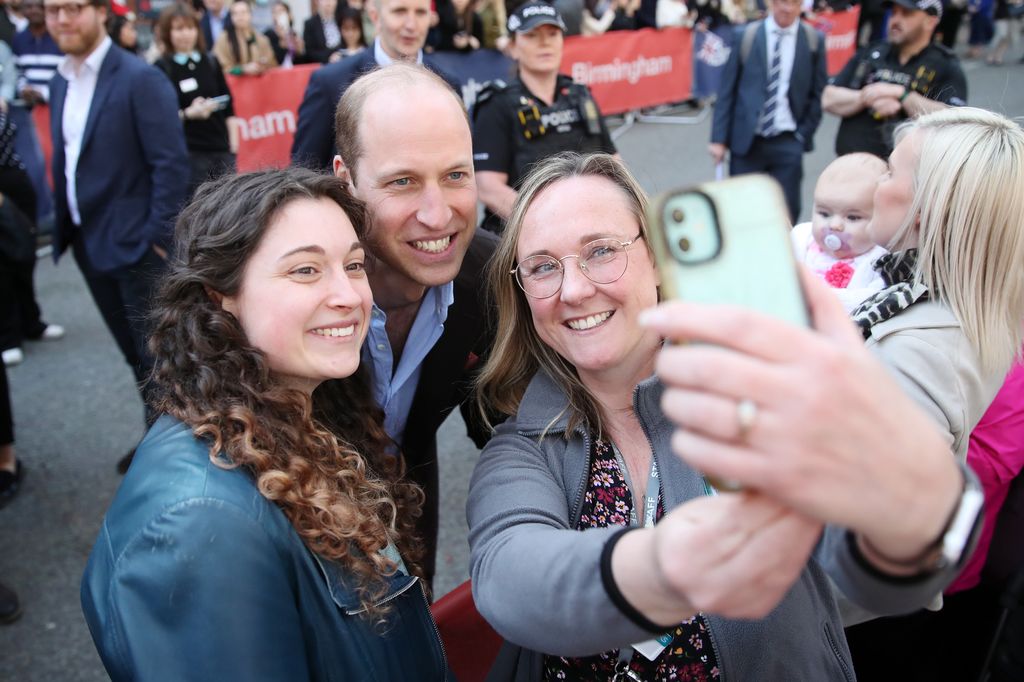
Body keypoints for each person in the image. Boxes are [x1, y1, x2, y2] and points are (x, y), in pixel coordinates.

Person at [468, 152, 981, 680]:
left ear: (658, 259)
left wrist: (907, 489)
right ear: (522, 291)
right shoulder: (524, 444)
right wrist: (670, 565)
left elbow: (890, 574)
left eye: (601, 251)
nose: (573, 290)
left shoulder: (750, 394)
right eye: (543, 266)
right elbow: (508, 581)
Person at [80, 167, 451, 681]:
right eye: (305, 270)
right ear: (220, 298)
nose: (349, 295)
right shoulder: (199, 522)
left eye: (354, 265)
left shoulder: (290, 416)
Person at [331, 63, 497, 585]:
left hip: (413, 495)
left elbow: (507, 427)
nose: (437, 213)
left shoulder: (493, 280)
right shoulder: (291, 293)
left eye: (456, 175)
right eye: (402, 181)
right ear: (346, 183)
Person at [46, 0, 190, 472]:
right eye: (52, 10)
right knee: (135, 357)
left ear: (99, 12)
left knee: (161, 362)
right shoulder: (59, 80)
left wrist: (157, 238)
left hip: (137, 246)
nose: (63, 19)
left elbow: (170, 163)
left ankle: (171, 465)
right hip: (88, 243)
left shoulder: (139, 78)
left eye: (72, 8)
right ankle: (156, 440)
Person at [845, 107, 1023, 463]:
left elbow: (870, 502)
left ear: (927, 207)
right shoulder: (958, 302)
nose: (876, 184)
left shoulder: (911, 355)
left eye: (890, 171)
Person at [472, 2, 616, 233]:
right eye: (532, 35)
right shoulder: (497, 104)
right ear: (513, 47)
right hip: (525, 233)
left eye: (552, 33)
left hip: (590, 223)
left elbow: (613, 163)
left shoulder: (580, 94)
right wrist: (549, 224)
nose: (544, 42)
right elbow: (488, 188)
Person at [290, 0, 460, 171]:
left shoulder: (448, 84)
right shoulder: (330, 83)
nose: (411, 24)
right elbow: (303, 171)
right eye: (399, 11)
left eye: (420, 13)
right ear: (375, 16)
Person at [708, 0, 828, 222]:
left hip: (788, 140)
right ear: (772, 2)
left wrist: (803, 134)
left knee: (787, 210)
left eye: (794, 3)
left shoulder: (813, 40)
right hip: (747, 141)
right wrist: (718, 138)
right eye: (782, 1)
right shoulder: (746, 35)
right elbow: (727, 91)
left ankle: (781, 255)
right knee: (742, 209)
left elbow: (817, 92)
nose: (787, 8)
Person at [822, 0, 967, 159]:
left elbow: (955, 119)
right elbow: (828, 97)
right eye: (894, 13)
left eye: (906, 14)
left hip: (904, 173)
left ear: (930, 21)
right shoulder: (872, 51)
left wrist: (903, 95)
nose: (896, 20)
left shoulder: (945, 64)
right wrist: (868, 96)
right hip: (850, 164)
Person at [154, 3, 237, 199]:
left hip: (221, 149)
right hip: (189, 153)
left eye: (190, 28)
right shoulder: (162, 67)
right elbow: (160, 117)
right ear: (168, 32)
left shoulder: (210, 61)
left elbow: (230, 108)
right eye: (179, 29)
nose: (186, 34)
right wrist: (189, 113)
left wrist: (233, 148)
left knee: (228, 206)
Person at [790, 152, 888, 312]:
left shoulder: (879, 260)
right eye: (824, 214)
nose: (835, 225)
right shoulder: (801, 240)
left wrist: (813, 296)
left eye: (852, 217)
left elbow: (872, 301)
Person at [213, 0, 276, 76]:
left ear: (250, 14)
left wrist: (261, 67)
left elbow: (272, 65)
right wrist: (242, 69)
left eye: (243, 12)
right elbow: (221, 68)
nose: (240, 17)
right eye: (235, 13)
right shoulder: (223, 39)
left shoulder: (261, 39)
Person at [264, 1, 306, 66]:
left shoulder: (294, 35)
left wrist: (300, 51)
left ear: (289, 15)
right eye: (274, 12)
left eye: (281, 11)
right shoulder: (268, 35)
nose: (278, 14)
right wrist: (282, 42)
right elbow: (275, 60)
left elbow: (302, 61)